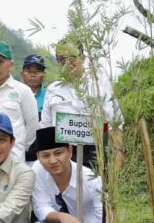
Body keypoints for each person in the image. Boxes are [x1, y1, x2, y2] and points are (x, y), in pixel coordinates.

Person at [40, 37, 124, 170]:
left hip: (96, 156)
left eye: (72, 57)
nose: (67, 63)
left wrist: (117, 162)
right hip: (61, 160)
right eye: (62, 59)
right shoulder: (52, 90)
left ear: (83, 57)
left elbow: (114, 122)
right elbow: (45, 128)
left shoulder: (98, 84)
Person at [20, 54, 47, 164]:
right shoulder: (15, 95)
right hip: (18, 154)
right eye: (29, 71)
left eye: (37, 71)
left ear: (43, 75)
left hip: (42, 157)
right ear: (22, 74)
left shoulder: (50, 96)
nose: (33, 75)